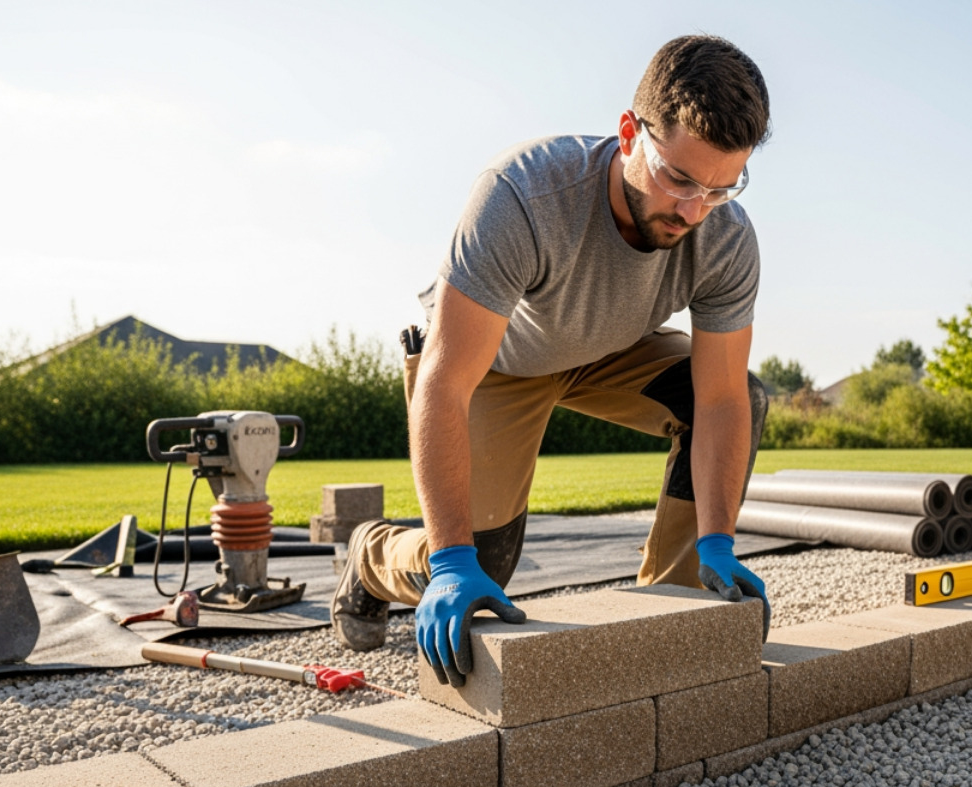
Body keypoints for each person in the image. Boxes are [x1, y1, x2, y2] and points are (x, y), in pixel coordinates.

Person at [331, 35, 773, 686]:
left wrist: (717, 540)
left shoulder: (725, 237)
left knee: (746, 394)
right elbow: (446, 384)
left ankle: (675, 610)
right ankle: (373, 557)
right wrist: (453, 561)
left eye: (719, 188)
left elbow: (722, 401)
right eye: (677, 178)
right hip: (496, 361)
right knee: (484, 563)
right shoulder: (526, 195)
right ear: (630, 133)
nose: (692, 210)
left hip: (605, 348)